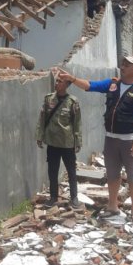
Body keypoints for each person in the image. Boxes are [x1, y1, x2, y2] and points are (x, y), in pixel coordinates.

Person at [57, 55, 133, 221]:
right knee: (113, 174)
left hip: (130, 139)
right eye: (123, 63)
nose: (123, 66)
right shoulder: (112, 84)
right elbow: (90, 86)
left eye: (127, 65)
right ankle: (112, 206)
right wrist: (72, 79)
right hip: (111, 139)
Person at [35, 76, 82, 208]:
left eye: (60, 82)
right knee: (52, 171)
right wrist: (39, 136)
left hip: (67, 143)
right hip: (52, 142)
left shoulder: (72, 101)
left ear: (67, 85)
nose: (57, 83)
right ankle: (53, 197)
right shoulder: (49, 99)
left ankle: (74, 197)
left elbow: (77, 123)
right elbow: (42, 118)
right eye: (56, 81)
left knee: (71, 171)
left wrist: (78, 141)